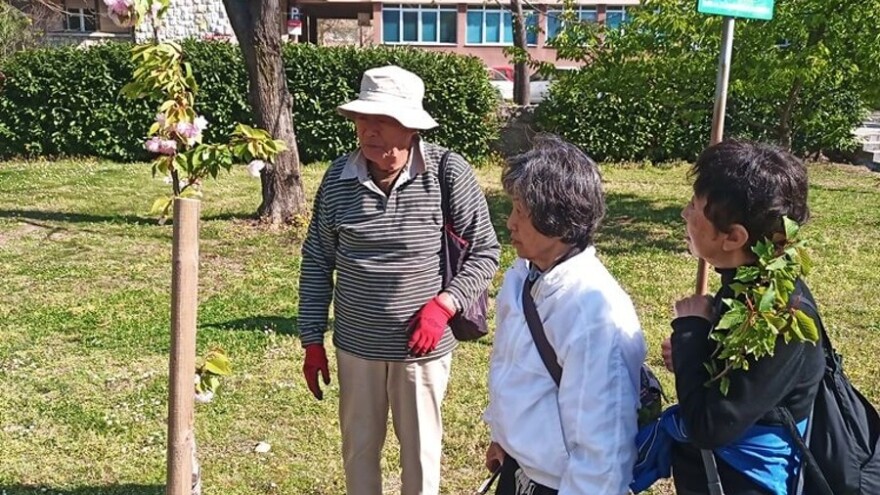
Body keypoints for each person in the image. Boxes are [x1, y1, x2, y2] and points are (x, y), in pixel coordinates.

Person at [297, 65, 500, 495]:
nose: (368, 129)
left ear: (411, 128)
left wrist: (444, 305)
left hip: (422, 350)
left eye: (383, 119)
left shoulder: (448, 172)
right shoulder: (337, 178)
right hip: (357, 347)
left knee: (421, 454)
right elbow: (317, 259)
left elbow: (485, 252)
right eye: (363, 117)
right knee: (359, 451)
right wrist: (312, 339)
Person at [483, 135, 646, 494]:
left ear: (557, 220)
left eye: (521, 213)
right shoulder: (523, 274)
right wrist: (503, 436)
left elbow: (604, 452)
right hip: (520, 471)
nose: (509, 223)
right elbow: (510, 366)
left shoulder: (595, 313)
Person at [661, 140, 825, 494]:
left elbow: (709, 426)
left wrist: (690, 331)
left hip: (744, 482)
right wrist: (695, 356)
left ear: (733, 237)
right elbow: (737, 380)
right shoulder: (747, 282)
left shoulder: (780, 316)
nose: (684, 215)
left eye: (694, 207)